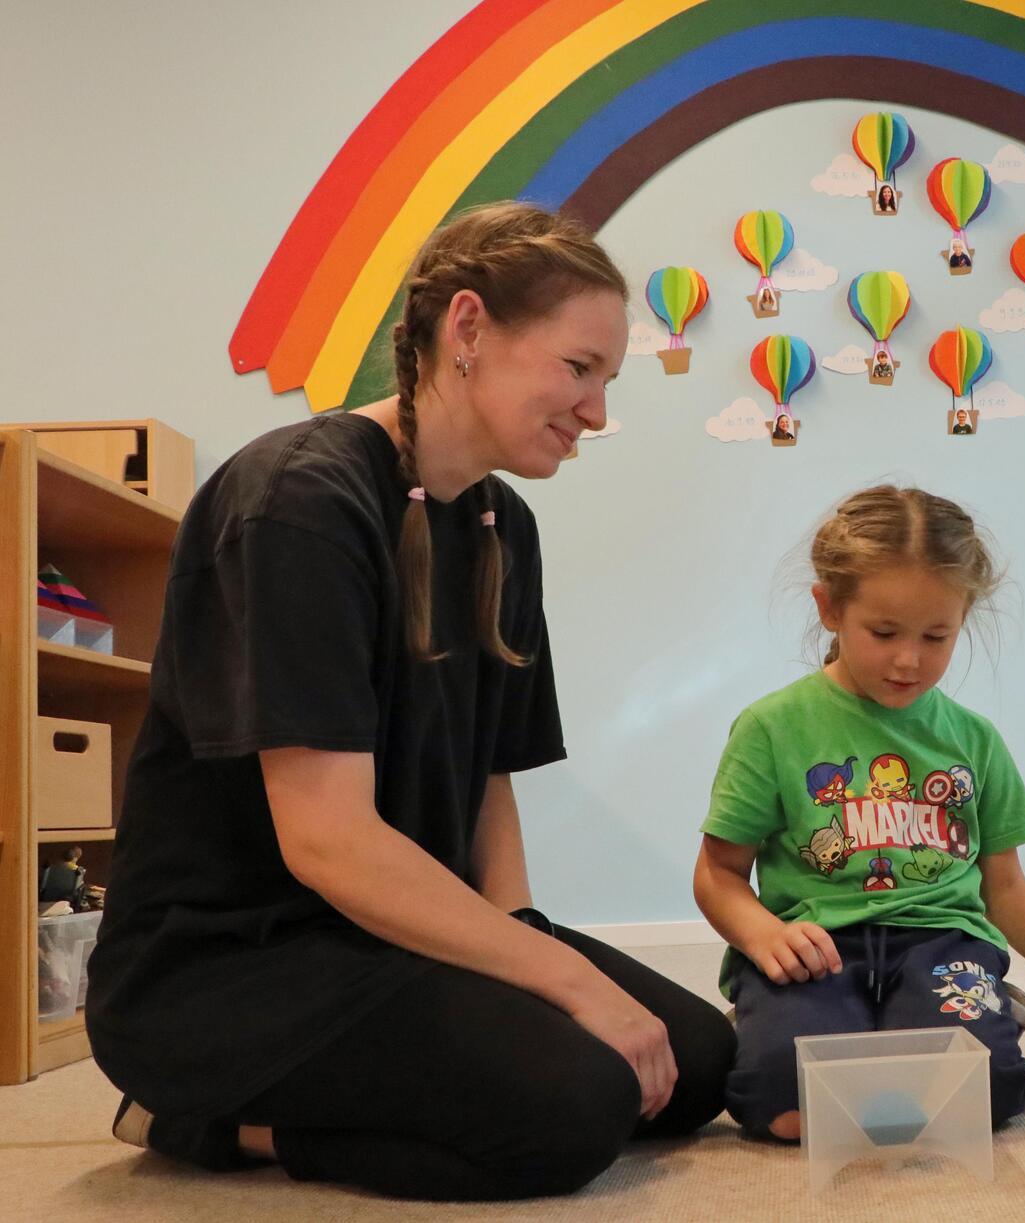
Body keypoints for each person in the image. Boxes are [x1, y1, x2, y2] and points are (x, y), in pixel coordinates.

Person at [86, 202, 735, 1201]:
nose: (598, 412)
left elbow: (486, 780)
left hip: (383, 933)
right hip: (230, 967)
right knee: (575, 1107)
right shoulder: (300, 500)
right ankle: (206, 1114)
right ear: (468, 329)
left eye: (608, 380)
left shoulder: (500, 522)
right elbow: (328, 842)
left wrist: (527, 938)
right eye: (579, 368)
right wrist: (560, 985)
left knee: (694, 1062)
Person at [694, 486, 1025, 1140]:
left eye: (936, 636)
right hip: (818, 948)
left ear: (964, 618)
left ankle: (960, 1006)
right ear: (830, 607)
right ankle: (798, 1017)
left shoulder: (973, 740)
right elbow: (718, 873)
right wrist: (761, 934)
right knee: (775, 1099)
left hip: (941, 941)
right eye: (884, 632)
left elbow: (1005, 886)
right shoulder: (771, 727)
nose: (908, 659)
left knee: (992, 1092)